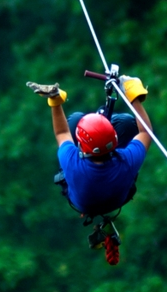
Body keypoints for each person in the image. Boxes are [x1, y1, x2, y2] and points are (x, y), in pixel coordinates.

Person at [26, 76, 153, 216]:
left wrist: (55, 101)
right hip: (118, 198)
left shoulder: (72, 162)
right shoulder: (127, 161)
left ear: (81, 145)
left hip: (84, 204)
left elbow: (62, 132)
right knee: (127, 123)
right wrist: (132, 94)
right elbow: (146, 132)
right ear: (114, 139)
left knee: (75, 119)